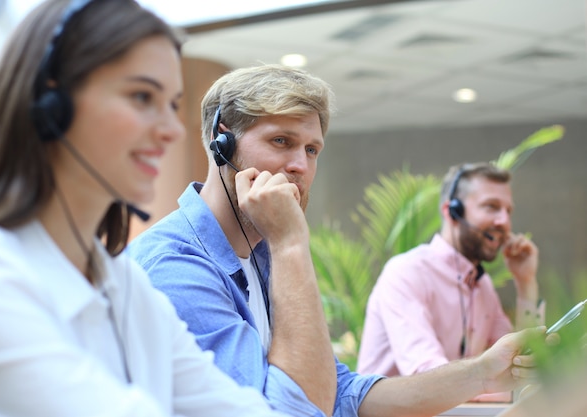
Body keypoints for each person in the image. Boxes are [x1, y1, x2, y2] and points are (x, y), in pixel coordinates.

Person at [128, 64, 548, 417]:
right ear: (223, 142)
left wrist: (484, 372)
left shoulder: (263, 256)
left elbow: (341, 392)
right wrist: (291, 243)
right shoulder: (175, 267)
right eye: (281, 141)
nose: (299, 166)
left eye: (312, 150)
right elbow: (292, 411)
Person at [0, 1, 293, 416]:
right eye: (141, 96)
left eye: (172, 104)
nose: (172, 129)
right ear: (51, 105)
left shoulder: (126, 287)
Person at [357, 162, 545, 401]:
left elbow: (519, 362)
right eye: (491, 207)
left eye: (508, 211)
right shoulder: (406, 273)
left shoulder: (482, 287)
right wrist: (521, 390)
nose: (504, 222)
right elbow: (426, 376)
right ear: (452, 211)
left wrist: (525, 283)